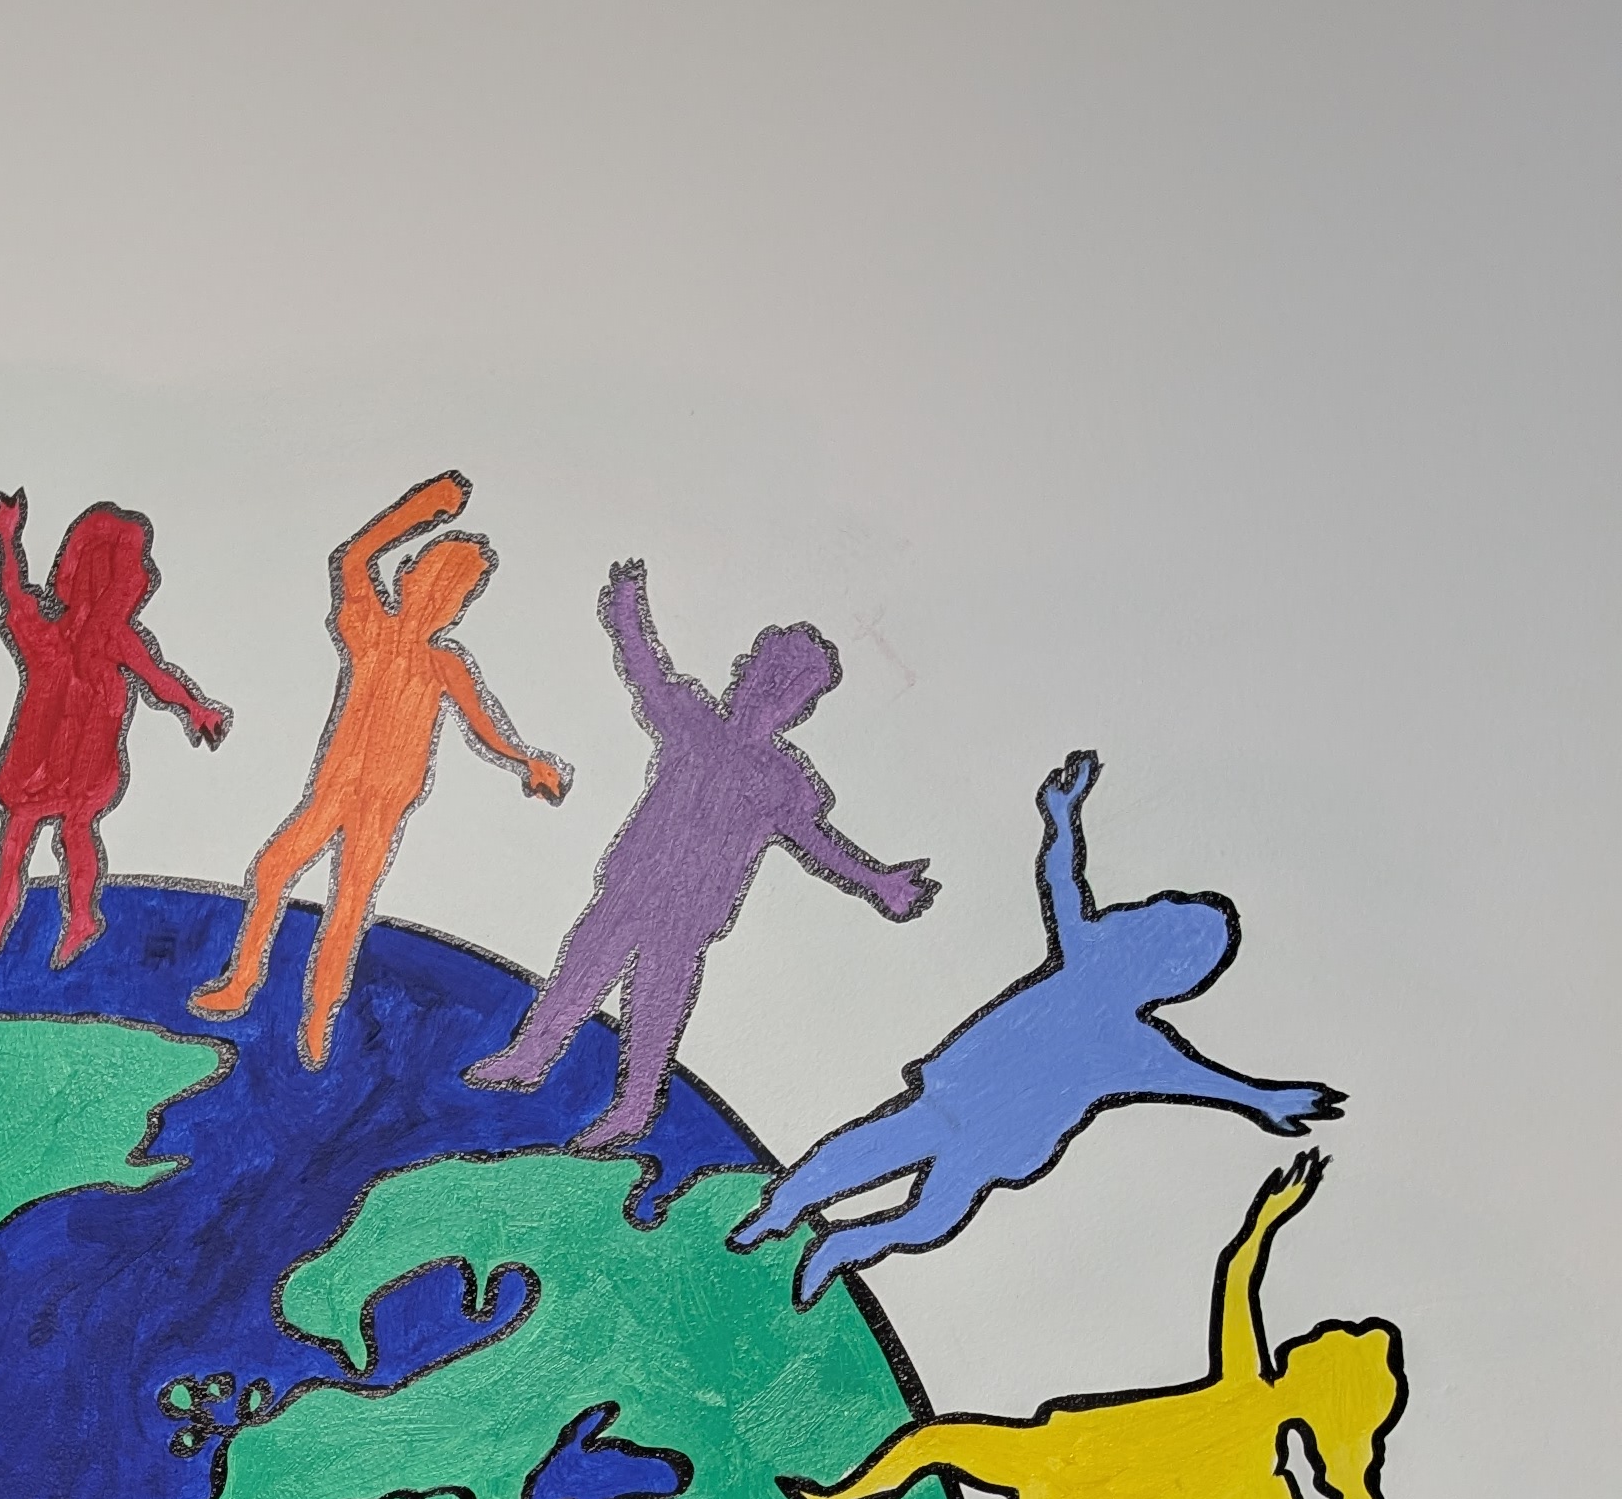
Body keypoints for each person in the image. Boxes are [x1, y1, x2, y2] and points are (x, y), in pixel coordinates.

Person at [794, 1152, 1413, 1499]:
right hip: (1063, 1456)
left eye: (1323, 1349)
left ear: (1319, 1393)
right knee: (939, 1453)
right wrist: (1267, 1219)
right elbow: (1239, 1275)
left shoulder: (1257, 1473)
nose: (1309, 1340)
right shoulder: (1244, 1388)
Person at [732, 751, 1339, 1301]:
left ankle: (845, 1243)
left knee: (931, 1216)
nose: (1142, 909)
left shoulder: (1132, 1040)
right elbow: (1062, 880)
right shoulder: (1087, 957)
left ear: (1168, 972)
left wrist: (1265, 1098)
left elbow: (1200, 1080)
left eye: (1161, 915)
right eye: (1159, 905)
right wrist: (1063, 816)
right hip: (961, 1099)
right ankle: (781, 1210)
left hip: (999, 1137)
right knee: (864, 1154)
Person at [465, 558, 933, 1153]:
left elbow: (818, 845)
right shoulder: (691, 720)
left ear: (799, 709)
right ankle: (531, 1056)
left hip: (688, 916)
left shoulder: (783, 780)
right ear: (745, 671)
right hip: (631, 882)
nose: (768, 693)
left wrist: (879, 882)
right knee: (582, 966)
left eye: (788, 690)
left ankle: (634, 1107)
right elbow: (645, 672)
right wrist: (627, 614)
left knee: (655, 1004)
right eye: (766, 675)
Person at [191, 471, 569, 1067]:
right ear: (408, 574)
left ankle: (319, 1016)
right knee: (273, 868)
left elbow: (484, 725)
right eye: (436, 578)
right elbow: (350, 559)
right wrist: (420, 510)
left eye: (456, 592)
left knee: (348, 906)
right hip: (336, 788)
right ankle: (243, 982)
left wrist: (526, 761)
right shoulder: (369, 629)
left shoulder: (445, 664)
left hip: (385, 801)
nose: (440, 597)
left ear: (460, 607)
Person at [0, 489, 227, 967]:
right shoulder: (54, 632)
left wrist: (195, 708)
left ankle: (79, 918)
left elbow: (157, 677)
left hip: (87, 754)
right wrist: (6, 539)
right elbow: (15, 598)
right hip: (42, 754)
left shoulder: (110, 636)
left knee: (72, 829)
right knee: (22, 830)